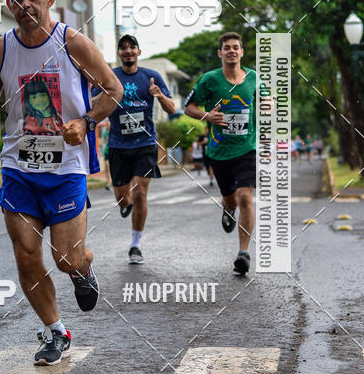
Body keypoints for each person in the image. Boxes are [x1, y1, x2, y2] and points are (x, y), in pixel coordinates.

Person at [0, 0, 122, 366]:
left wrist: (85, 123)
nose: (25, 4)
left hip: (66, 168)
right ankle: (56, 331)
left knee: (65, 258)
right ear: (8, 6)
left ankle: (83, 266)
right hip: (19, 167)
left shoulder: (72, 43)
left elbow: (113, 90)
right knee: (27, 255)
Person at [185, 31, 268, 275]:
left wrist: (268, 103)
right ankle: (227, 208)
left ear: (242, 52)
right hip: (219, 151)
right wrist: (207, 116)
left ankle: (243, 253)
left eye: (236, 47)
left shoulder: (254, 78)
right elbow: (188, 106)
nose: (232, 51)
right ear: (220, 53)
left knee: (245, 197)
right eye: (227, 48)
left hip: (247, 149)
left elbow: (265, 101)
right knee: (231, 199)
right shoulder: (209, 80)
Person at [98, 34, 174, 265]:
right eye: (123, 48)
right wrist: (104, 95)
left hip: (145, 143)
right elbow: (94, 104)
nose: (128, 51)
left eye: (132, 48)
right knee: (122, 197)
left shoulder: (152, 77)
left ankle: (135, 245)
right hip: (118, 144)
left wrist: (159, 95)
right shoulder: (110, 77)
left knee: (140, 190)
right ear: (119, 53)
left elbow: (171, 109)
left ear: (139, 52)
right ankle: (125, 203)